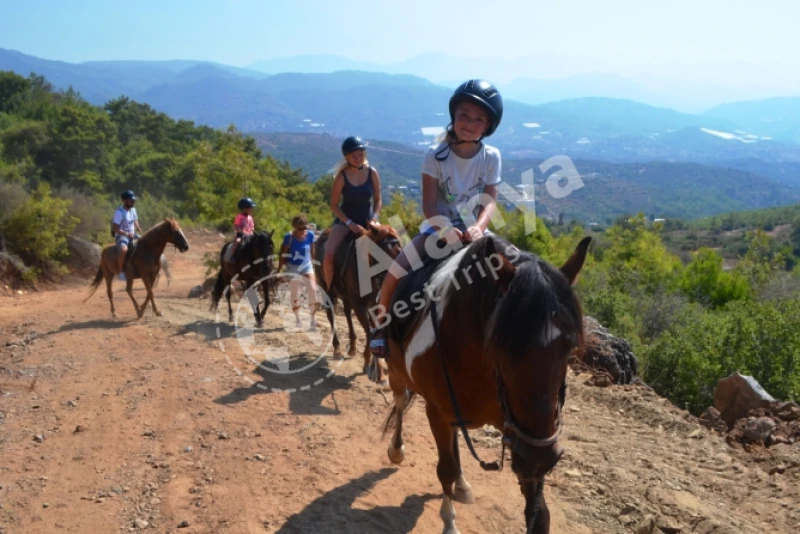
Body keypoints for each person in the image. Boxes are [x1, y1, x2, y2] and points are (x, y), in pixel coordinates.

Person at [368, 79, 504, 356]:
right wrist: (443, 229)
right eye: (464, 115)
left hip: (475, 231)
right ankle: (380, 326)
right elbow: (429, 205)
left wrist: (478, 228)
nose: (470, 122)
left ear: (488, 126)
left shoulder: (491, 157)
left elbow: (489, 201)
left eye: (479, 119)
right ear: (454, 115)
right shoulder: (436, 156)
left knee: (513, 268)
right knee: (396, 272)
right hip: (437, 229)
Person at [322, 136, 382, 291]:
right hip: (345, 222)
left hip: (368, 220)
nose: (358, 158)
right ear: (346, 157)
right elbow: (334, 205)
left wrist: (375, 218)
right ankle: (330, 291)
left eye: (360, 155)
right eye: (354, 156)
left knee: (391, 247)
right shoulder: (341, 177)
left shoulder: (372, 172)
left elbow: (378, 200)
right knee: (328, 256)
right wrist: (349, 223)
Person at [279, 214, 319, 330]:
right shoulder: (289, 237)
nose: (301, 231)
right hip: (293, 266)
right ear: (294, 227)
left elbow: (312, 251)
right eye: (299, 228)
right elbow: (283, 254)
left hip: (307, 265)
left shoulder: (310, 235)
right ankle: (297, 319)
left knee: (312, 289)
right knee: (295, 293)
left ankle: (313, 319)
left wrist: (316, 266)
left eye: (303, 228)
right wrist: (280, 269)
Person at [112, 190, 142, 281]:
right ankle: (121, 272)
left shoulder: (133, 210)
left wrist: (138, 227)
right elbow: (115, 228)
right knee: (124, 250)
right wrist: (126, 234)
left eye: (133, 200)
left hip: (132, 235)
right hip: (122, 236)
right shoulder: (119, 212)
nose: (133, 202)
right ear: (125, 201)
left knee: (146, 243)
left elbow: (135, 219)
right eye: (131, 200)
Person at [225, 197, 256, 266]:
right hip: (241, 234)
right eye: (250, 208)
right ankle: (231, 256)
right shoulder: (239, 217)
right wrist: (242, 232)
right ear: (244, 208)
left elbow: (252, 226)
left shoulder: (250, 218)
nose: (251, 209)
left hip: (250, 234)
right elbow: (236, 226)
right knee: (238, 241)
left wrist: (252, 232)